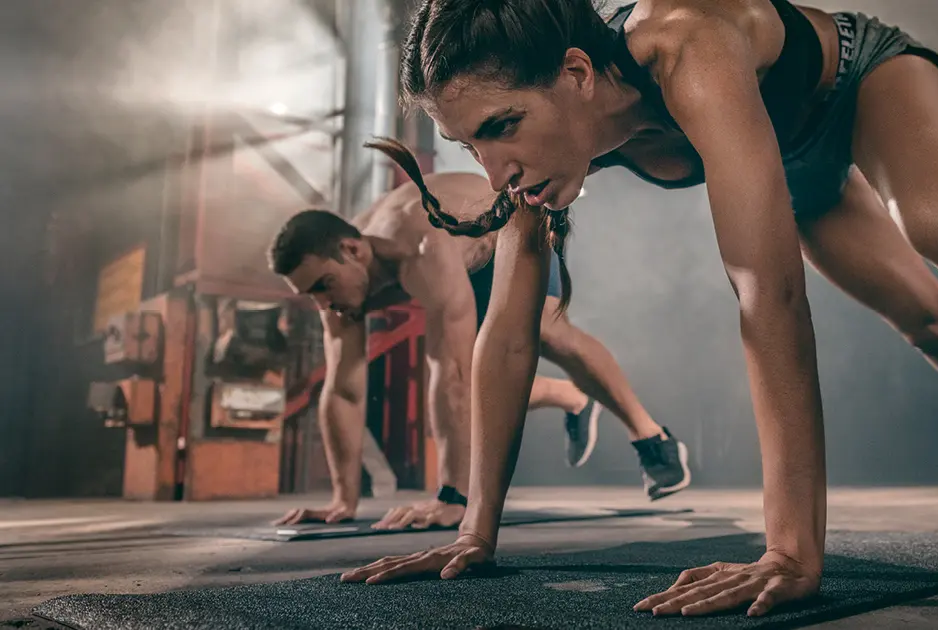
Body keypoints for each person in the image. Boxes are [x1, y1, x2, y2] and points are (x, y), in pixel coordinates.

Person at [340, 0, 938, 617]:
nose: (493, 170)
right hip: (791, 163)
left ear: (575, 73)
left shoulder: (684, 44)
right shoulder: (547, 146)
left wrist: (792, 551)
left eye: (501, 127)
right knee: (929, 323)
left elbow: (768, 295)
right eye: (467, 146)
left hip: (857, 84)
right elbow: (509, 334)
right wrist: (475, 530)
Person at [267, 168, 692, 532]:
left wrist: (453, 497)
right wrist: (343, 500)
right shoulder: (339, 286)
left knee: (545, 334)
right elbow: (343, 389)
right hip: (458, 267)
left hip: (508, 229)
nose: (322, 303)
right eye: (310, 295)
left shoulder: (419, 245)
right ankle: (570, 398)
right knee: (478, 372)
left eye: (323, 286)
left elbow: (451, 373)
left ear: (353, 250)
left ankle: (650, 436)